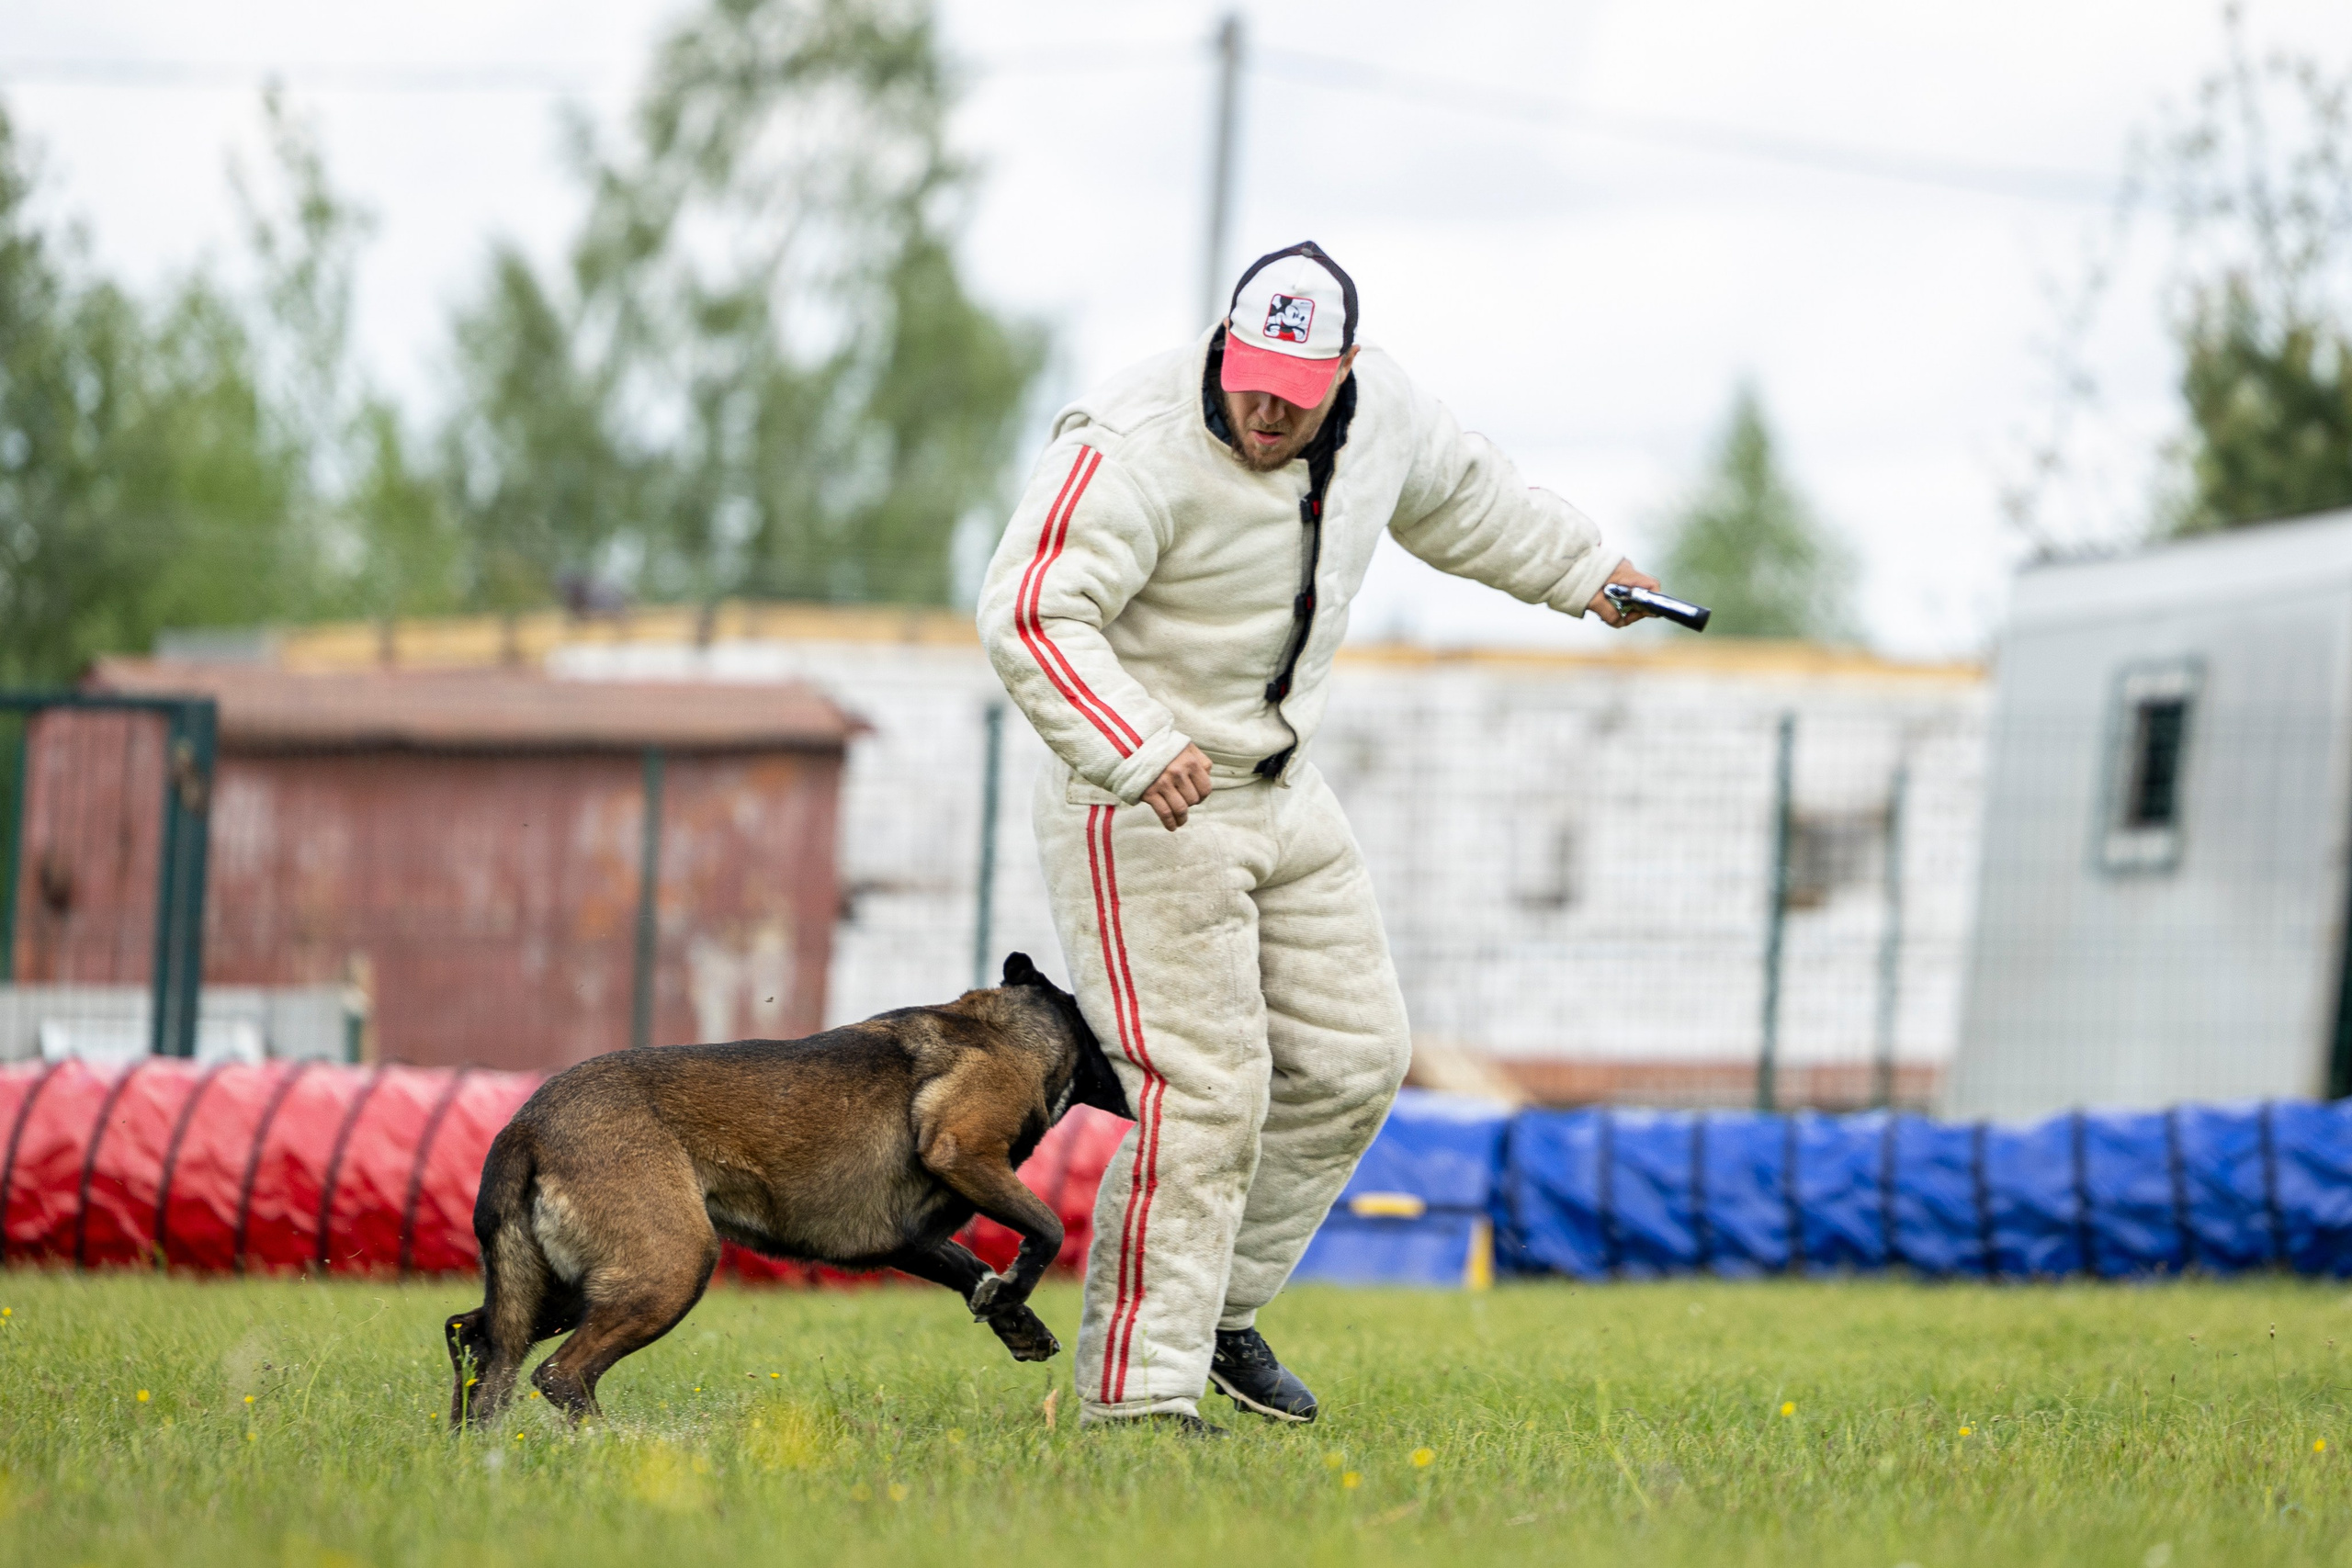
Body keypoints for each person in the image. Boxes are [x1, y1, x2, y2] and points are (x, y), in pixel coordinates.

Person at [978, 241, 1657, 1432]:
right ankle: (1138, 1402)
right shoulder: (1128, 443)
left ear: (1342, 376)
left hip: (1279, 788)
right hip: (1139, 796)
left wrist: (1588, 569)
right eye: (1247, 381)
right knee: (1203, 1089)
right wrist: (1136, 742)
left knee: (1354, 1058)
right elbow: (1031, 610)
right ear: (1223, 351)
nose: (1262, 411)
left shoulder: (1383, 413)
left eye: (1293, 396)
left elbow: (1468, 502)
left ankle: (1221, 1309)